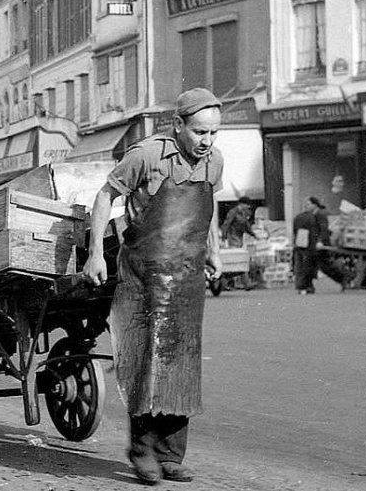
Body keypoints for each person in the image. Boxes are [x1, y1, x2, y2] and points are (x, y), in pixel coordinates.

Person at [82, 87, 224, 485]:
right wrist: (95, 253)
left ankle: (171, 454)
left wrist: (214, 250)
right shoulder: (146, 156)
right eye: (199, 132)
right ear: (178, 125)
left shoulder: (214, 161)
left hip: (186, 276)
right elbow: (105, 195)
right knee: (145, 359)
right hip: (144, 276)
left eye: (213, 133)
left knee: (182, 360)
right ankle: (141, 449)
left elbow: (209, 206)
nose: (206, 142)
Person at [291, 197, 327, 294]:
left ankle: (302, 286)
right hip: (310, 245)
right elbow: (319, 230)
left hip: (301, 243)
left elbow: (295, 231)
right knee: (308, 265)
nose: (307, 206)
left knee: (302, 265)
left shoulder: (300, 217)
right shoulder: (312, 217)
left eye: (308, 204)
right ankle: (306, 285)